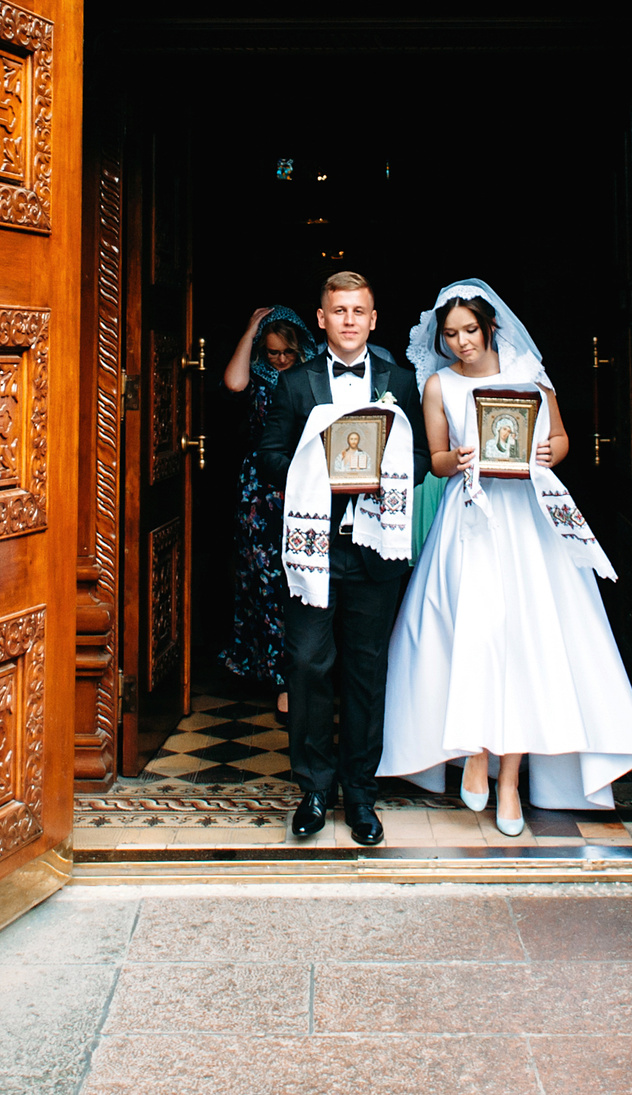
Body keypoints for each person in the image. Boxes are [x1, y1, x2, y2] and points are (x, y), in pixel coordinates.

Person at [381, 280, 632, 835]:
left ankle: (511, 781)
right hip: (471, 519)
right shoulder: (438, 385)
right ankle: (474, 753)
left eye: (470, 332)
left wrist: (554, 449)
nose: (461, 343)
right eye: (451, 334)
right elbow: (433, 460)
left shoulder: (526, 372)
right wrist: (453, 459)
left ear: (489, 328)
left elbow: (560, 438)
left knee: (528, 641)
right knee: (471, 633)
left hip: (528, 519)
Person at [254, 271, 429, 846]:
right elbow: (271, 457)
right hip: (315, 547)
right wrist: (323, 474)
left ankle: (360, 795)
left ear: (373, 320)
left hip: (376, 549)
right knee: (307, 665)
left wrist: (382, 476)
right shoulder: (296, 384)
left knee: (365, 670)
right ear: (323, 318)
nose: (350, 320)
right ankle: (312, 789)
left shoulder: (401, 382)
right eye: (340, 310)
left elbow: (423, 455)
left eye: (360, 311)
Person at [219, 305, 310, 710]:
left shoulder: (312, 376)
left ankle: (298, 676)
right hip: (261, 490)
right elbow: (233, 382)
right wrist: (252, 328)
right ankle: (269, 673)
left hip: (305, 480)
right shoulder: (257, 373)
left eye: (286, 352)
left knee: (300, 580)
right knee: (261, 579)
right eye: (272, 352)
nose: (280, 360)